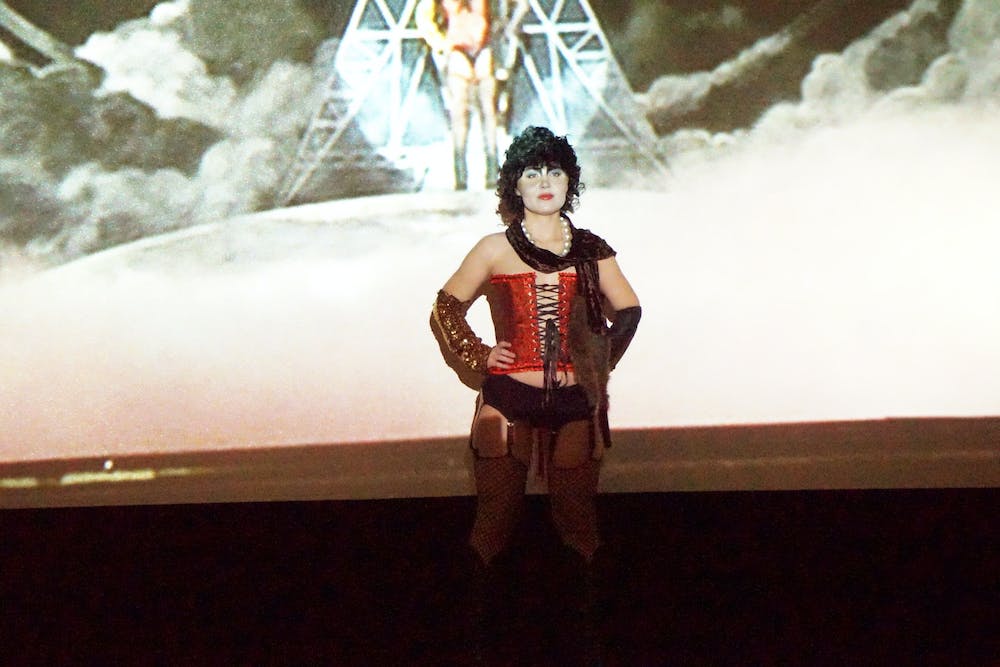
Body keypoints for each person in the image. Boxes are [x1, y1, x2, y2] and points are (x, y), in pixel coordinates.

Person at [430, 126, 641, 663]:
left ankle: (591, 644)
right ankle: (475, 645)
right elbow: (446, 306)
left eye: (553, 171)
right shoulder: (494, 248)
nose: (544, 182)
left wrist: (598, 362)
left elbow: (630, 310)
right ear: (514, 185)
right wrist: (479, 355)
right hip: (509, 399)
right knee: (495, 517)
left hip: (574, 403)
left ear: (569, 180)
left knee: (577, 520)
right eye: (532, 172)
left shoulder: (592, 250)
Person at [416, 0, 500, 190]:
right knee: (460, 114)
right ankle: (460, 174)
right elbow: (423, 17)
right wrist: (441, 44)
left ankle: (493, 171)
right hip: (457, 50)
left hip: (484, 48)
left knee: (489, 111)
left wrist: (505, 32)